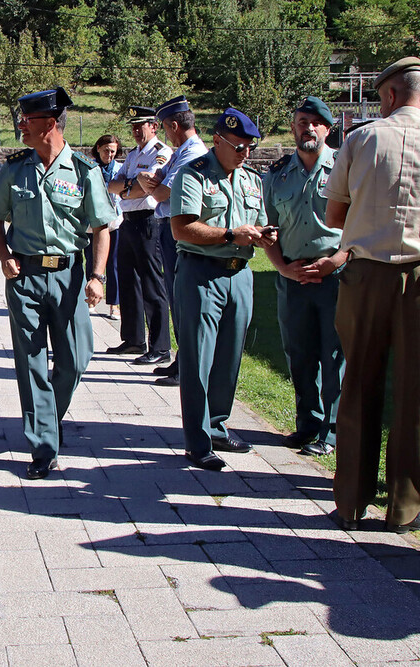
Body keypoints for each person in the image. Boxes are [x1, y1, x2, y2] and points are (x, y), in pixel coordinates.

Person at [0, 88, 115, 479]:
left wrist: (98, 275)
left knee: (76, 358)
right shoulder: (15, 169)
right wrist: (4, 256)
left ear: (51, 125)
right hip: (25, 276)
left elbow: (102, 228)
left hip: (70, 275)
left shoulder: (83, 170)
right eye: (21, 119)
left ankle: (48, 419)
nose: (20, 126)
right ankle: (43, 444)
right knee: (31, 362)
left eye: (28, 121)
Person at [324, 57, 420, 532]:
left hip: (365, 274)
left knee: (359, 384)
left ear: (388, 95)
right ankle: (404, 508)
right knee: (415, 392)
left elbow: (335, 216)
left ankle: (351, 502)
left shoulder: (362, 138)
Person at [169, 107, 277, 471]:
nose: (245, 153)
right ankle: (197, 442)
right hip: (202, 273)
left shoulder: (252, 180)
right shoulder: (192, 175)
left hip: (240, 273)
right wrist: (231, 234)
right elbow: (182, 228)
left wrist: (262, 236)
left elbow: (259, 223)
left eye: (249, 146)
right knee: (198, 359)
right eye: (238, 146)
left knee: (230, 357)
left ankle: (217, 425)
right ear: (217, 140)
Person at [262, 96, 345, 457]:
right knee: (299, 354)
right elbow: (268, 230)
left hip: (336, 276)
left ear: (327, 128)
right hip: (292, 276)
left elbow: (359, 226)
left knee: (335, 355)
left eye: (315, 121)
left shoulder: (345, 168)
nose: (307, 127)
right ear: (292, 128)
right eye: (300, 121)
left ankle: (332, 432)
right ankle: (307, 425)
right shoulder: (277, 175)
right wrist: (282, 267)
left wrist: (337, 260)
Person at [137, 95, 209, 387]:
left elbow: (163, 192)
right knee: (175, 297)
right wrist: (151, 182)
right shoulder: (181, 151)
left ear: (175, 125)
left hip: (178, 228)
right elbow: (156, 179)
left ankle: (188, 368)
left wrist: (150, 185)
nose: (166, 134)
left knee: (182, 300)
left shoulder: (193, 153)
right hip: (167, 227)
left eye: (165, 128)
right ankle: (182, 360)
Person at [106, 106, 173, 365]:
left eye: (140, 126)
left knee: (152, 284)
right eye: (133, 126)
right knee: (128, 280)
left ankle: (160, 346)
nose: (136, 131)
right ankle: (133, 339)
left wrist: (128, 189)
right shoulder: (133, 155)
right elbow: (113, 185)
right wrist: (130, 188)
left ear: (154, 126)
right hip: (128, 221)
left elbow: (148, 187)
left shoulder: (161, 154)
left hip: (149, 222)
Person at [87, 135, 123, 320]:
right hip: (92, 223)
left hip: (113, 223)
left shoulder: (119, 169)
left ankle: (114, 305)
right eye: (106, 150)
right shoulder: (89, 167)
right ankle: (90, 299)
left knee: (113, 264)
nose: (109, 155)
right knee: (91, 261)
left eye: (113, 152)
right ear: (98, 148)